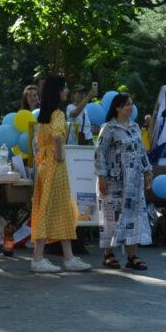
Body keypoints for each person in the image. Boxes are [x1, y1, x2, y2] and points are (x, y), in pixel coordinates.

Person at [29, 75, 88, 273]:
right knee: (50, 208)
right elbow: (56, 137)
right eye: (64, 88)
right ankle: (38, 258)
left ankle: (68, 257)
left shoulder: (44, 115)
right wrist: (61, 155)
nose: (66, 91)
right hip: (55, 164)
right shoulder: (58, 114)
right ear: (57, 91)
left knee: (61, 209)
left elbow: (39, 141)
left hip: (44, 164)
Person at [96, 93, 153, 270]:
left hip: (134, 181)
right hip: (114, 180)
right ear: (118, 108)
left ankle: (132, 255)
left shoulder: (135, 127)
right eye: (127, 104)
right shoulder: (109, 128)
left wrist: (148, 170)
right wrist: (101, 177)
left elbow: (141, 151)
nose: (131, 107)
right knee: (112, 216)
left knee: (133, 216)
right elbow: (100, 154)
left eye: (131, 104)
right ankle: (109, 253)